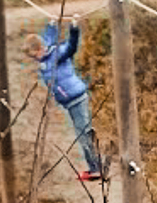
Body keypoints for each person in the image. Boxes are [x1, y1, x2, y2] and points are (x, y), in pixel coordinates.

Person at [27, 19, 106, 180]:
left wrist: (74, 30)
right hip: (69, 102)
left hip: (76, 98)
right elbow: (48, 37)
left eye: (34, 55)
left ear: (40, 50)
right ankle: (96, 165)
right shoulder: (45, 55)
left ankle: (96, 168)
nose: (35, 59)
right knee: (82, 132)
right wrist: (51, 24)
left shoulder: (57, 54)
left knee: (83, 134)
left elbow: (71, 47)